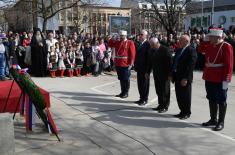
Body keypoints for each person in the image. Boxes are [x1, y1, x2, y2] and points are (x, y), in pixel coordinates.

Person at [199, 28, 233, 131]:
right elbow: (201, 50)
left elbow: (229, 64)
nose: (209, 38)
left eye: (211, 37)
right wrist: (204, 41)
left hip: (220, 78)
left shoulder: (226, 46)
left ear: (218, 37)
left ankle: (221, 122)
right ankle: (213, 119)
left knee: (221, 100)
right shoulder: (210, 45)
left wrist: (226, 79)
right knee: (211, 98)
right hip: (209, 76)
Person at [171, 35, 197, 119]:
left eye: (181, 40)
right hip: (177, 76)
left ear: (186, 41)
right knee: (179, 95)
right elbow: (175, 62)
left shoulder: (191, 50)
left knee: (186, 96)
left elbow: (191, 65)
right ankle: (182, 111)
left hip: (184, 77)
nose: (179, 42)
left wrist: (186, 78)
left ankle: (186, 112)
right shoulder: (179, 50)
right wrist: (172, 74)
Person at [146, 37, 172, 113]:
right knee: (158, 90)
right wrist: (148, 72)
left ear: (157, 43)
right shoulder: (152, 50)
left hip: (165, 74)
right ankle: (160, 104)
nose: (152, 46)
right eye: (151, 45)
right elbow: (150, 62)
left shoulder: (165, 50)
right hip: (156, 74)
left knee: (165, 91)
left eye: (153, 45)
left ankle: (165, 106)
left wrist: (170, 74)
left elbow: (169, 63)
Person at [109, 30, 136, 98]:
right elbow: (110, 44)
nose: (121, 37)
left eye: (122, 36)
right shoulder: (118, 42)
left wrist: (131, 63)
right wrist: (112, 38)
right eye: (120, 36)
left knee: (126, 79)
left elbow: (133, 53)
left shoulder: (130, 42)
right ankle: (122, 92)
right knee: (121, 78)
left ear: (125, 36)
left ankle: (126, 92)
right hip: (118, 63)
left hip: (125, 63)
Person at [134, 30, 151, 105]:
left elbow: (149, 59)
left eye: (141, 34)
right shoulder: (139, 44)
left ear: (145, 36)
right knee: (140, 84)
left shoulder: (148, 44)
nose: (140, 36)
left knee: (145, 84)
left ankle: (145, 99)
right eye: (139, 34)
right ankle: (141, 98)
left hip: (145, 69)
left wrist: (148, 71)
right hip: (139, 68)